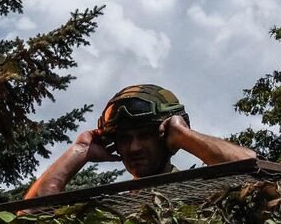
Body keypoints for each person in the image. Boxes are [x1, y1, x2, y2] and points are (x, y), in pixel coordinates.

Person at [26, 84, 255, 199]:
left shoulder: (201, 193)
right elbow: (32, 214)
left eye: (145, 135)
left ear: (165, 138)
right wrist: (81, 149)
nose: (134, 147)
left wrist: (183, 135)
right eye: (125, 139)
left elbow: (253, 169)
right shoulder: (113, 214)